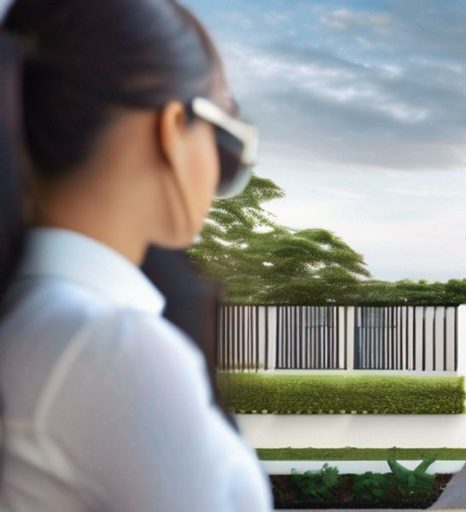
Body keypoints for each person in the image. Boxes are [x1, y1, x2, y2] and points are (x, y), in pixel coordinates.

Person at [0, 0, 272, 510]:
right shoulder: (107, 347)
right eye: (225, 137)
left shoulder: (35, 319)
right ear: (173, 128)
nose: (220, 170)